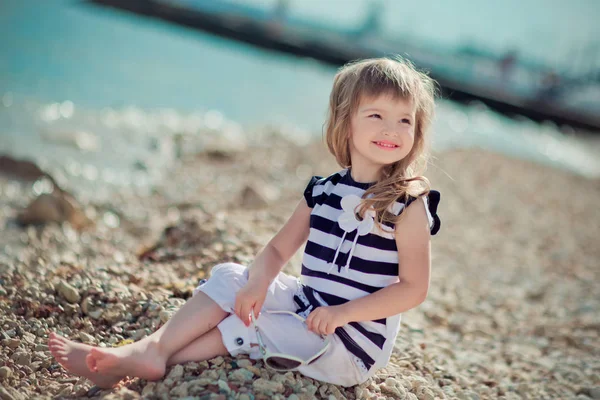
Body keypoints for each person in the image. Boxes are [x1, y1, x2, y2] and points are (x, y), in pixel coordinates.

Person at [48, 56, 442, 388]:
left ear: (417, 130)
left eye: (404, 120)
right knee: (231, 277)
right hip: (310, 305)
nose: (392, 129)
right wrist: (258, 283)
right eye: (376, 115)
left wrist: (342, 315)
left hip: (349, 343)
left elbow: (413, 289)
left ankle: (145, 362)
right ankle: (153, 348)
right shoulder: (323, 191)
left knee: (258, 327)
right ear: (346, 122)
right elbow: (276, 249)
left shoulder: (407, 204)